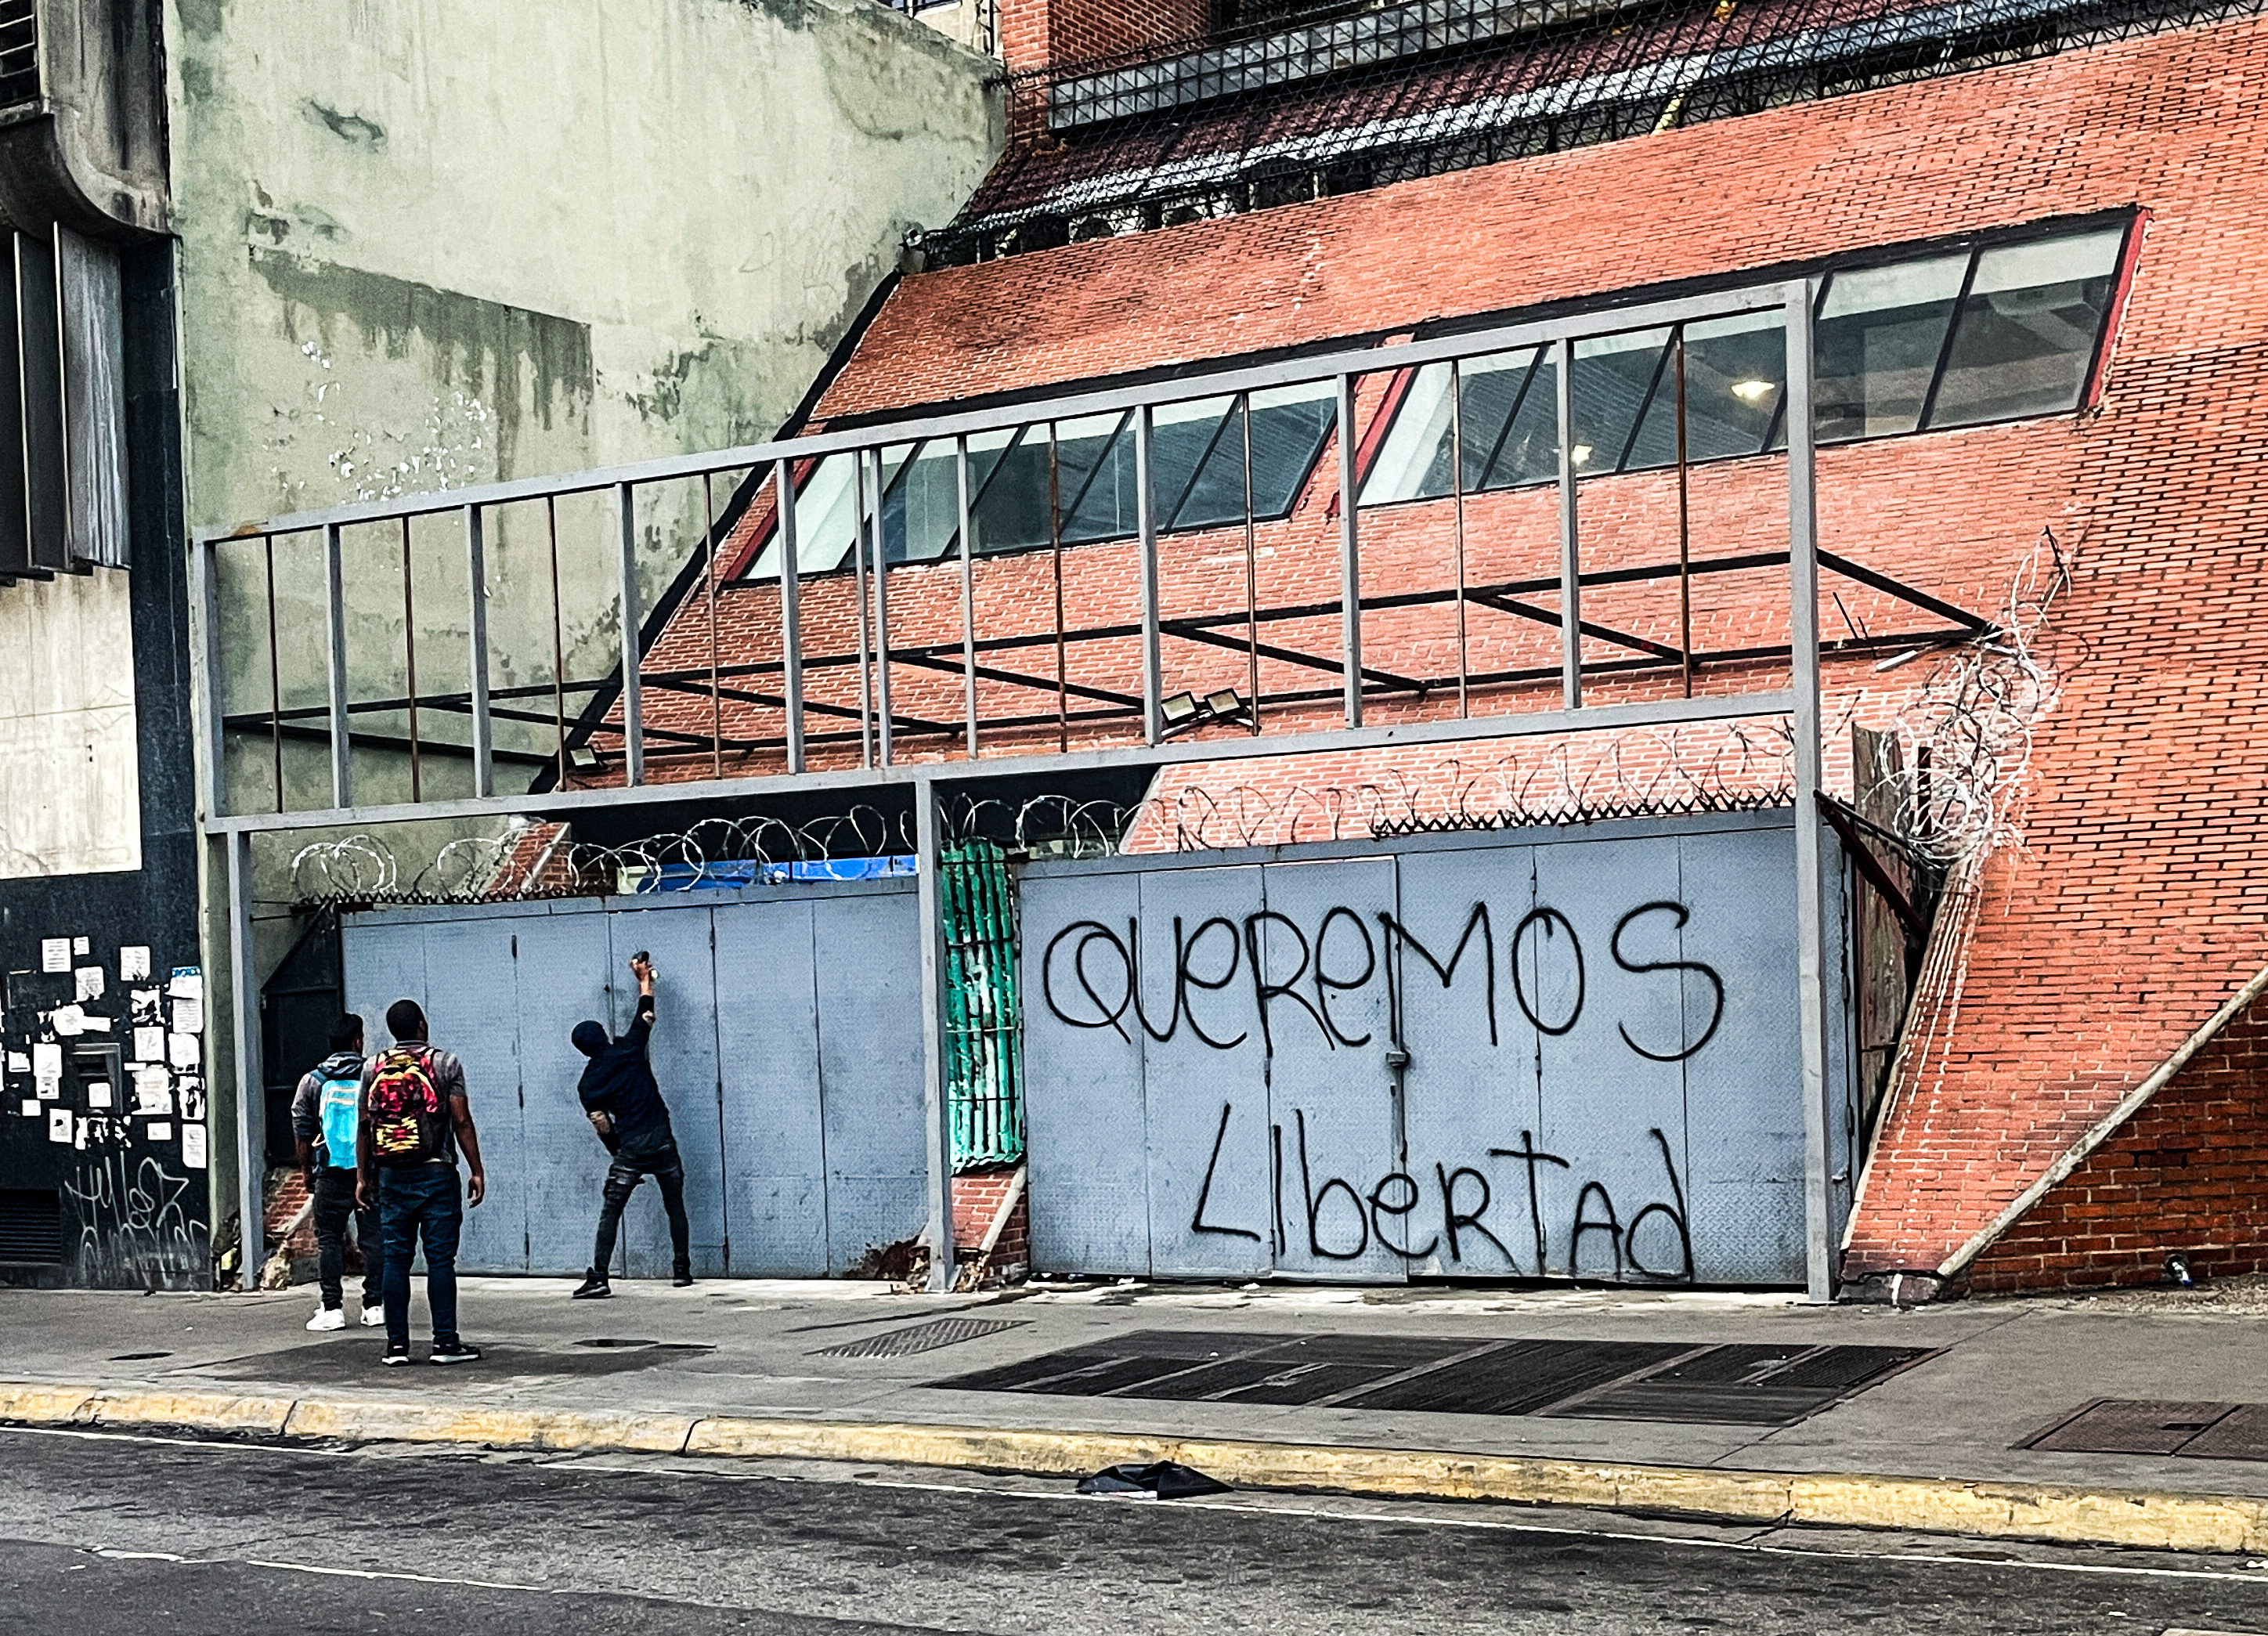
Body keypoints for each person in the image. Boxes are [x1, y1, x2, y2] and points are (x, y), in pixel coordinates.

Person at [356, 999, 486, 1366]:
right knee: (440, 1260)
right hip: (436, 1173)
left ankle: (397, 1346)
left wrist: (363, 1176)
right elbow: (461, 1120)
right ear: (422, 1025)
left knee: (396, 1260)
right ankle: (445, 1343)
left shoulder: (373, 1067)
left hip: (392, 1175)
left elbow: (365, 1126)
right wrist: (476, 1169)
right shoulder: (446, 1064)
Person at [569, 952, 692, 1298]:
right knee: (674, 1203)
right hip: (662, 1137)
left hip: (631, 1147)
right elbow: (646, 1014)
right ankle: (681, 1270)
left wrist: (619, 1155)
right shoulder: (629, 1049)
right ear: (604, 1035)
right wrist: (644, 980)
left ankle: (599, 1277)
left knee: (612, 1209)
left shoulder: (588, 1085)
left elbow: (602, 1125)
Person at [291, 1013, 382, 1331]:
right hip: (367, 1171)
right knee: (373, 1238)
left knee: (328, 1240)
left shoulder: (312, 1081)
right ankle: (375, 1305)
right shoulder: (372, 1074)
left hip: (329, 1171)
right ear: (358, 1041)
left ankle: (332, 1308)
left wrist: (307, 1171)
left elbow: (302, 1130)